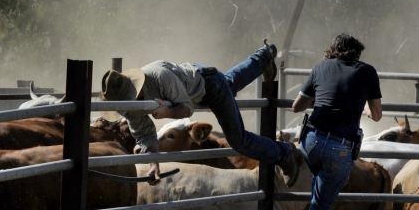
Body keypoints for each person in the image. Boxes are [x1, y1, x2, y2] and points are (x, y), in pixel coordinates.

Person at [100, 41, 302, 187]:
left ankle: (284, 153)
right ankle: (263, 58)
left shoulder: (160, 77)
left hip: (210, 86)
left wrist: (166, 111)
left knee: (238, 140)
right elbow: (144, 134)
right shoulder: (129, 105)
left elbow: (187, 108)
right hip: (199, 84)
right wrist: (155, 164)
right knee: (230, 82)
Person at [285, 33, 383, 210]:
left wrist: (323, 97)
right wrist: (359, 107)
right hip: (341, 148)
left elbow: (297, 107)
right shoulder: (368, 72)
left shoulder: (320, 67)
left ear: (333, 50)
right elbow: (377, 115)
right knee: (320, 205)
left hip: (311, 143)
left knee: (320, 192)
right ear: (357, 53)